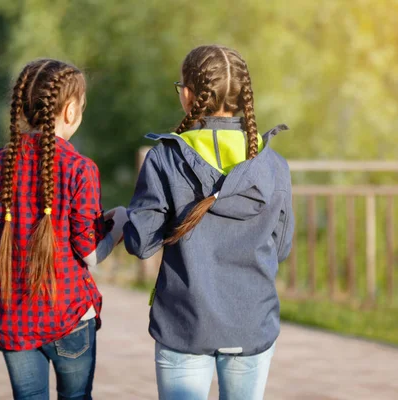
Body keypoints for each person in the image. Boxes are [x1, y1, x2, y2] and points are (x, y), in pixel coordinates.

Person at [123, 45, 294, 400]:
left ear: (188, 96)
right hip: (251, 323)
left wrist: (126, 217)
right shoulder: (273, 165)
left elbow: (141, 244)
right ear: (243, 97)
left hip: (185, 325)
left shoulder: (165, 158)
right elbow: (281, 247)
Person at [0, 59, 127, 400]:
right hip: (69, 316)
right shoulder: (80, 169)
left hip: (13, 319)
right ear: (69, 111)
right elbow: (91, 253)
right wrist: (119, 225)